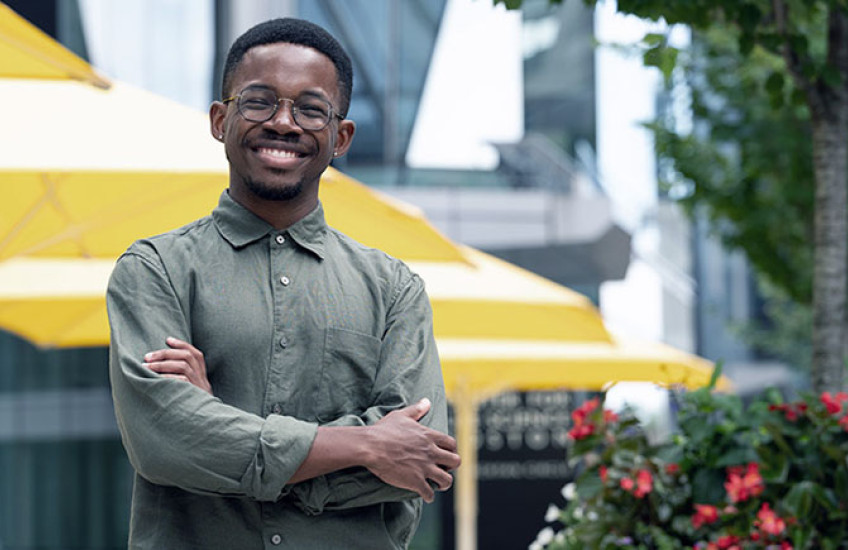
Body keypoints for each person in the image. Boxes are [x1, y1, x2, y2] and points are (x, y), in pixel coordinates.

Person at [106, 17, 460, 550]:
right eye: (259, 102)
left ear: (339, 137)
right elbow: (167, 442)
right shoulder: (155, 270)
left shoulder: (393, 290)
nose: (284, 123)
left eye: (310, 109)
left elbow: (420, 460)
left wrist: (223, 427)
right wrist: (366, 445)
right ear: (220, 120)